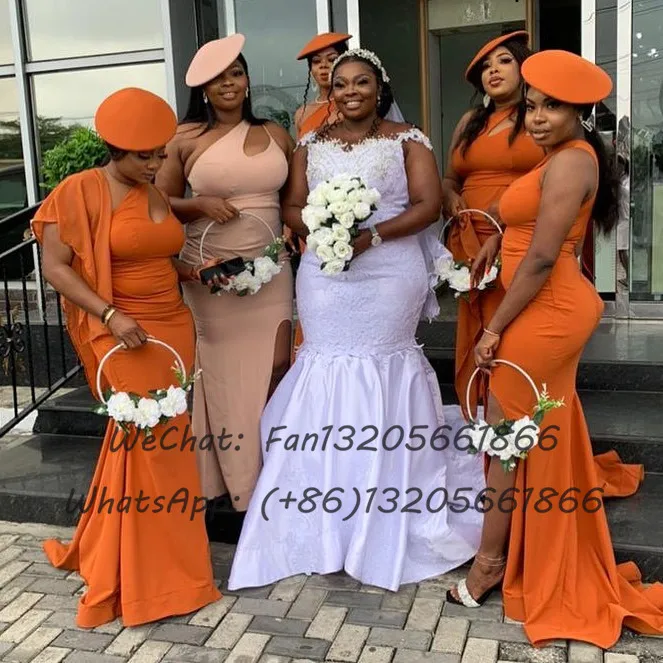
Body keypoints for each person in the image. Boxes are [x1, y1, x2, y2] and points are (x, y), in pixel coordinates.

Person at [227, 48, 485, 591]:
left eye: (361, 82)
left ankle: (389, 506)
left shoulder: (407, 139)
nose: (349, 91)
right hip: (326, 273)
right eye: (340, 83)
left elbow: (427, 205)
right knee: (325, 362)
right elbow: (292, 206)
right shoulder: (309, 144)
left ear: (379, 87)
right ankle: (323, 515)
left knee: (380, 362)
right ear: (330, 91)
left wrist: (372, 235)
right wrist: (325, 227)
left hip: (389, 270)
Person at [448, 50, 661, 649]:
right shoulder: (556, 156)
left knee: (506, 437)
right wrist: (493, 240)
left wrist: (494, 330)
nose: (538, 118)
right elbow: (514, 218)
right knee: (529, 435)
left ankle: (490, 564)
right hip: (536, 303)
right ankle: (520, 552)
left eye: (553, 107)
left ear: (580, 112)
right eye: (533, 105)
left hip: (546, 308)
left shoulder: (571, 161)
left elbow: (543, 257)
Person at [31, 87, 221, 628]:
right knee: (148, 448)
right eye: (145, 156)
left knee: (162, 448)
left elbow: (156, 254)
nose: (157, 164)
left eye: (160, 154)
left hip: (172, 328)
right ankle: (148, 576)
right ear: (115, 149)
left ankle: (153, 560)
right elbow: (56, 267)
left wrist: (196, 272)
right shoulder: (79, 190)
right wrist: (110, 314)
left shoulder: (152, 189)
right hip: (123, 332)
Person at [155, 34, 295, 542]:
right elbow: (157, 204)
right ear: (203, 89)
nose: (229, 84)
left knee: (275, 368)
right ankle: (231, 493)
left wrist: (295, 229)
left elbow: (293, 199)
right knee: (224, 379)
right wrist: (198, 205)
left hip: (272, 268)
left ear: (247, 80)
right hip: (212, 270)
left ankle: (274, 482)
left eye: (236, 73)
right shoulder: (184, 138)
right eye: (218, 78)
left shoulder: (276, 133)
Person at [441, 31, 544, 421]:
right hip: (470, 238)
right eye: (486, 66)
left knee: (510, 329)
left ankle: (513, 417)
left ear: (523, 66)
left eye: (503, 61)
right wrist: (450, 198)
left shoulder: (538, 118)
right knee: (475, 325)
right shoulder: (470, 122)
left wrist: (509, 210)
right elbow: (450, 178)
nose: (493, 71)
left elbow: (550, 176)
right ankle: (478, 416)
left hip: (518, 235)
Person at [294, 32, 352, 139]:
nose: (323, 65)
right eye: (316, 61)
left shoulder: (354, 104)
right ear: (310, 69)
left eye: (332, 59)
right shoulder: (301, 113)